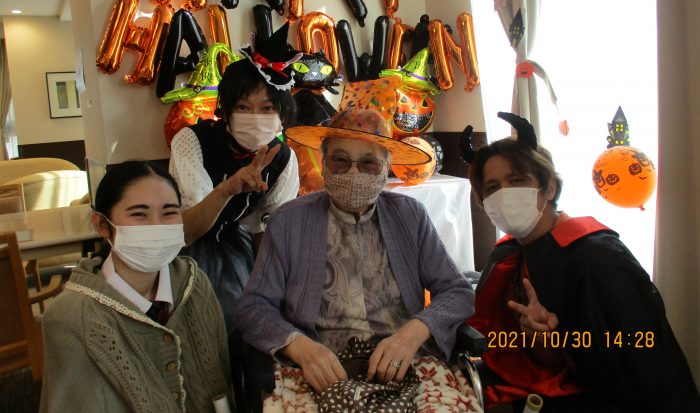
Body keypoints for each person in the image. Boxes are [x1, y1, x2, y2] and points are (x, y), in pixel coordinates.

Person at [236, 108, 481, 412]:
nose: (353, 173)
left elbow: (457, 292)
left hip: (407, 362)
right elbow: (253, 307)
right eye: (340, 160)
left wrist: (413, 333)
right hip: (315, 369)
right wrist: (299, 347)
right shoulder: (287, 222)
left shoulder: (410, 215)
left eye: (368, 162)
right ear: (323, 162)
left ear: (386, 167)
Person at [464, 112, 700, 413]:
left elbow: (642, 365)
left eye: (517, 180)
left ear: (549, 187)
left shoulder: (599, 258)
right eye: (492, 188)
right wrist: (543, 341)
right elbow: (552, 362)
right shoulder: (511, 254)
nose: (505, 195)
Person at [40, 161, 231, 412]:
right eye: (139, 214)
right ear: (102, 225)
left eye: (169, 212)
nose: (157, 226)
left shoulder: (194, 284)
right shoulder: (71, 317)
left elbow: (219, 384)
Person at [168, 22, 300, 334]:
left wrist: (274, 285)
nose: (255, 118)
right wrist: (228, 189)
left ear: (281, 115)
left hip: (237, 246)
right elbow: (187, 231)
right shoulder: (192, 141)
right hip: (185, 248)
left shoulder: (283, 158)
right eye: (243, 107)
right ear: (226, 110)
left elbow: (268, 231)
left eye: (266, 108)